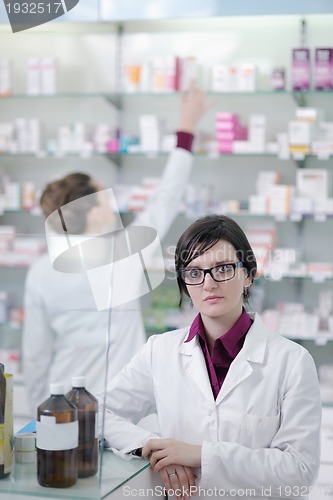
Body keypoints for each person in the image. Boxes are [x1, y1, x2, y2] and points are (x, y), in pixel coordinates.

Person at [22, 83, 213, 416]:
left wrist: (42, 414)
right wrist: (186, 129)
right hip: (117, 406)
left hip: (61, 403)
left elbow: (35, 352)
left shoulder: (41, 269)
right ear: (94, 212)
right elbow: (166, 197)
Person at [100, 214, 321, 500]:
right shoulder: (159, 350)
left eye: (223, 268)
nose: (209, 283)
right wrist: (150, 445)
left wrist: (200, 455)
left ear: (248, 275)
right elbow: (98, 413)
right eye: (194, 272)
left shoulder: (292, 361)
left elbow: (300, 472)